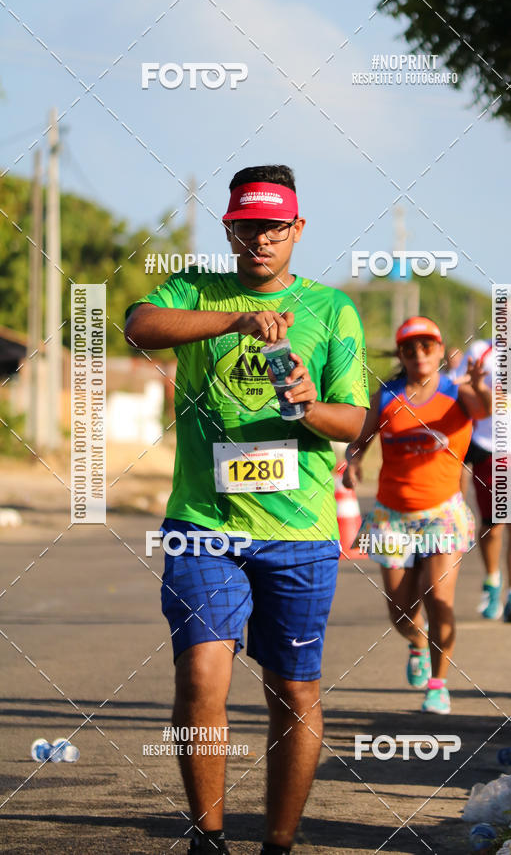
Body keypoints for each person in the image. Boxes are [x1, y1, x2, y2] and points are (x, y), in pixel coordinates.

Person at [124, 164, 369, 855]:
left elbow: (356, 421)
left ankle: (279, 844)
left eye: (275, 225)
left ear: (297, 228)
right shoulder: (198, 289)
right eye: (248, 225)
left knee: (292, 691)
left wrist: (305, 406)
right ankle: (209, 838)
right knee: (201, 672)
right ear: (230, 228)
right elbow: (139, 326)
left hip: (300, 531)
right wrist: (233, 318)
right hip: (205, 523)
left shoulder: (332, 309)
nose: (261, 238)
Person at [343, 317, 491, 715]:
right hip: (393, 516)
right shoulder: (387, 396)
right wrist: (353, 463)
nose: (420, 354)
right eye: (410, 348)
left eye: (427, 346)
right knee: (400, 609)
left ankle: (439, 685)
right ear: (401, 354)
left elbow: (485, 409)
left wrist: (477, 384)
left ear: (440, 351)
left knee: (439, 598)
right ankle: (416, 642)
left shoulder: (457, 393)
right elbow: (360, 442)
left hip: (442, 514)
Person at [455, 339, 511, 621]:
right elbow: (456, 386)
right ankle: (492, 580)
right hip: (489, 446)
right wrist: (484, 394)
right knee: (492, 526)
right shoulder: (480, 351)